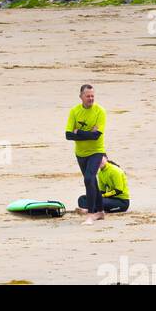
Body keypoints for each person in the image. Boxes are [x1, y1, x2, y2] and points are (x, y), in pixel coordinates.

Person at [65, 84, 108, 225]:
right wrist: (88, 133)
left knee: (88, 179)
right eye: (88, 96)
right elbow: (68, 135)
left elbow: (96, 136)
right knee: (92, 182)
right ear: (81, 97)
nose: (91, 98)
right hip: (80, 153)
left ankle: (90, 215)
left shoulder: (100, 111)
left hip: (96, 151)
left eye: (92, 96)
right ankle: (100, 212)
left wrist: (79, 132)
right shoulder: (74, 111)